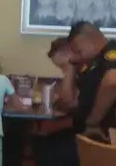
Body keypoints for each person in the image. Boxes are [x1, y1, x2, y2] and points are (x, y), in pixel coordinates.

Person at [31, 37, 79, 166]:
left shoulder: (83, 71)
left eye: (63, 66)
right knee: (38, 140)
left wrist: (70, 70)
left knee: (44, 145)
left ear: (70, 54)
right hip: (78, 127)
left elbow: (67, 103)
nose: (63, 70)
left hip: (88, 132)